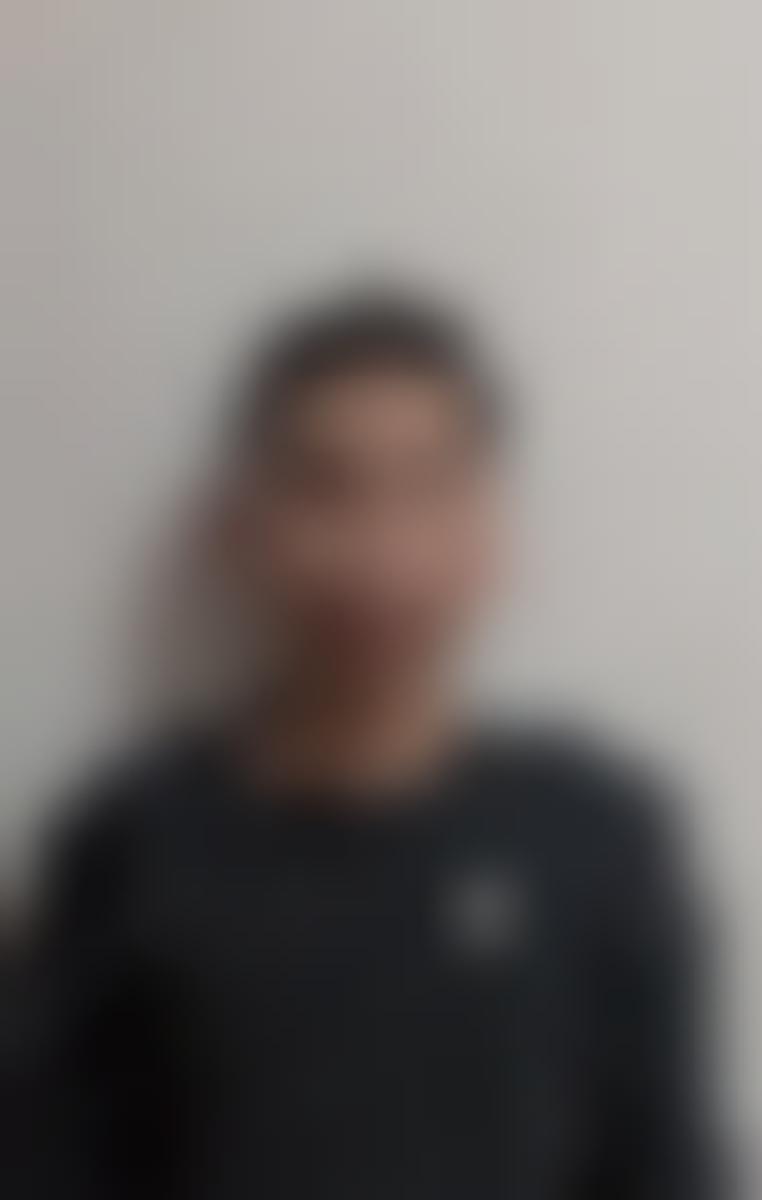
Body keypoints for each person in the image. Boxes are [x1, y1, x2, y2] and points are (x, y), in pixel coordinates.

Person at [32, 291, 719, 1198]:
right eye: (327, 490)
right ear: (245, 530)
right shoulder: (130, 841)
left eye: (426, 491)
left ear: (487, 534)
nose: (381, 556)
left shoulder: (597, 834)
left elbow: (667, 1166)